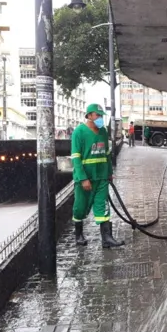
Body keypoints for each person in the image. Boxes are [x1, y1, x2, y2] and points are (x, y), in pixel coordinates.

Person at [71, 103, 125, 249]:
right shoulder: (79, 132)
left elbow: (107, 154)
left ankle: (107, 238)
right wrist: (83, 178)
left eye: (101, 115)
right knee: (80, 207)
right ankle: (79, 235)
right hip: (85, 179)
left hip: (101, 177)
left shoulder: (102, 132)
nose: (100, 118)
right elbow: (76, 157)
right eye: (98, 115)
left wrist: (109, 173)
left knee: (103, 206)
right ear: (89, 115)